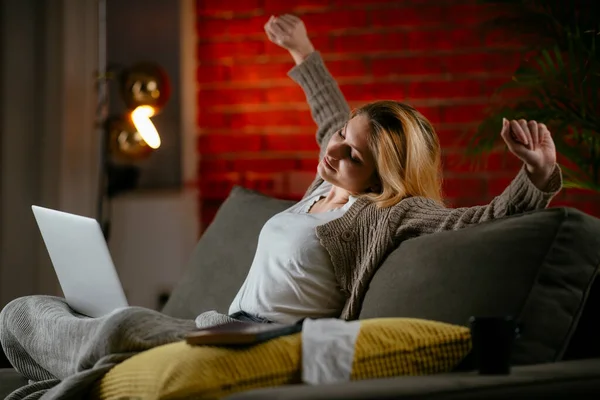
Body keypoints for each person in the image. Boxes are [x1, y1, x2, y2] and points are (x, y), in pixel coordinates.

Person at [227, 14, 562, 325]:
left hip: (275, 341)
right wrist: (301, 48)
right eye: (343, 133)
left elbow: (480, 222)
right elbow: (330, 113)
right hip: (231, 327)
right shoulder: (323, 184)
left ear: (380, 176)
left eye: (354, 156)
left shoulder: (387, 212)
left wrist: (538, 173)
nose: (333, 149)